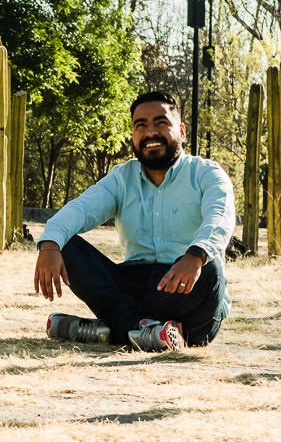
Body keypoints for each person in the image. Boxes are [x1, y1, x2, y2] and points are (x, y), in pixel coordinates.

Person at [33, 91, 234, 352]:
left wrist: (195, 255)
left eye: (161, 123)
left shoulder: (207, 174)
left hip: (187, 291)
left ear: (181, 131)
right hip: (133, 285)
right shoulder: (121, 178)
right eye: (141, 125)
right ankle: (145, 331)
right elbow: (81, 209)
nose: (150, 132)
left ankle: (110, 330)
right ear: (133, 135)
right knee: (67, 245)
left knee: (211, 270)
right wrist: (49, 245)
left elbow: (220, 216)